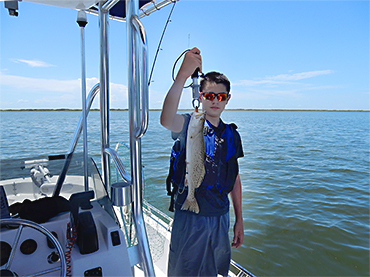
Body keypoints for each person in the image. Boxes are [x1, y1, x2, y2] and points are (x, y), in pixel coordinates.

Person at [160, 47, 244, 277]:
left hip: (220, 216)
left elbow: (234, 178)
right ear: (200, 97)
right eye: (209, 96)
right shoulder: (190, 124)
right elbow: (166, 119)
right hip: (190, 215)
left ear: (228, 99)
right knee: (184, 270)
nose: (215, 101)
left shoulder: (232, 135)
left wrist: (239, 219)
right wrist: (182, 76)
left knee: (215, 269)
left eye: (221, 96)